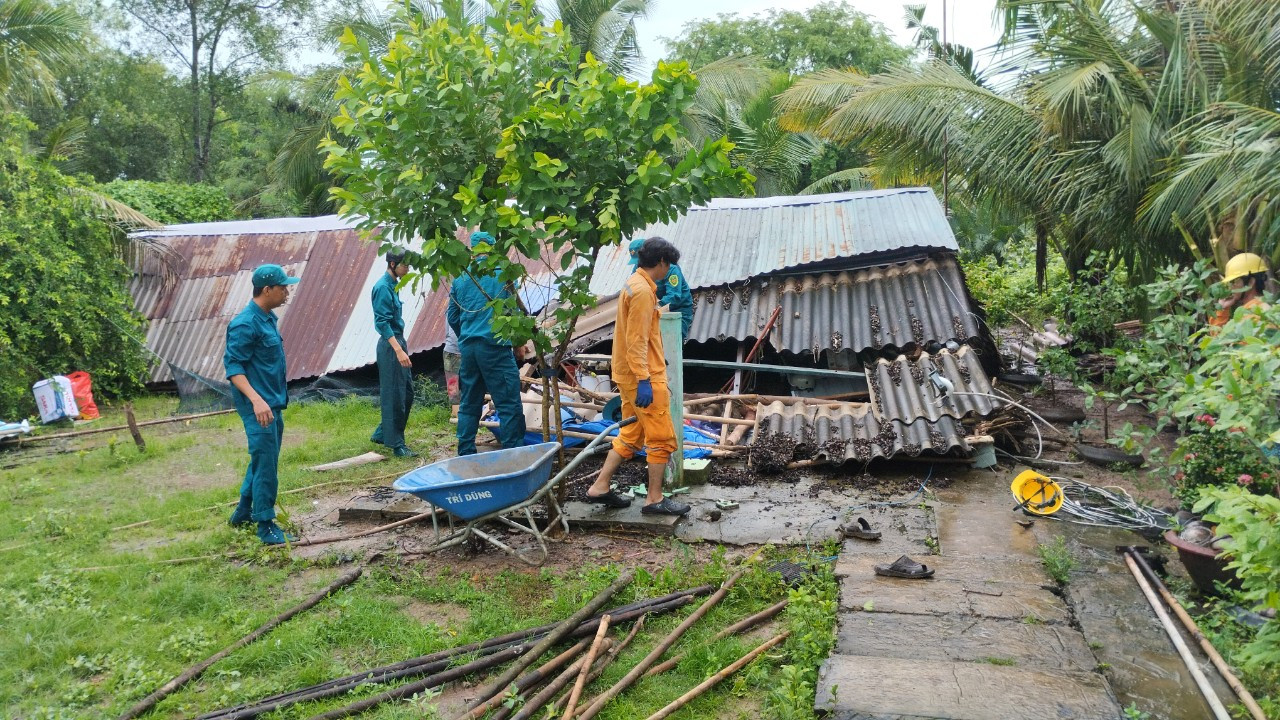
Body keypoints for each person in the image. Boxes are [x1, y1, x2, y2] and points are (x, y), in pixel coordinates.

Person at [587, 237, 690, 516]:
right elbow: (636, 340)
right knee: (662, 438)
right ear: (661, 262)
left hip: (629, 372)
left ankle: (600, 486)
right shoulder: (643, 291)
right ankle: (654, 499)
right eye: (668, 265)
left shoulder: (634, 284)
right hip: (642, 376)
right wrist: (644, 378)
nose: (669, 271)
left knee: (631, 435)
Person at [224, 264, 300, 545]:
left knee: (262, 458)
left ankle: (243, 511)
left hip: (272, 403)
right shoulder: (245, 323)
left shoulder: (268, 318)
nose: (287, 292)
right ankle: (265, 525)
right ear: (267, 290)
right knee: (266, 462)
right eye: (283, 287)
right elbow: (234, 368)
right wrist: (256, 401)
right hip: (258, 406)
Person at [448, 232, 527, 455]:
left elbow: (452, 316)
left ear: (472, 250)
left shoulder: (462, 278)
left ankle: (465, 453)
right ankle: (514, 455)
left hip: (469, 349)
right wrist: (518, 343)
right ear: (492, 249)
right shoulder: (502, 274)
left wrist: (467, 334)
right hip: (495, 347)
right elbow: (513, 313)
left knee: (470, 403)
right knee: (509, 404)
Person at [370, 249, 417, 457]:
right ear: (392, 265)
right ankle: (397, 445)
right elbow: (382, 322)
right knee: (394, 396)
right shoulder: (382, 288)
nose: (408, 269)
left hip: (398, 341)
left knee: (406, 393)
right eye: (404, 265)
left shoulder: (393, 285)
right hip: (390, 346)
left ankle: (382, 433)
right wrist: (398, 350)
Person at [628, 237, 693, 340]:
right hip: (654, 307)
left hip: (677, 309)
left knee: (671, 341)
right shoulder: (638, 267)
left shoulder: (670, 268)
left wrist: (654, 307)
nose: (639, 264)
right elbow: (631, 287)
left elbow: (674, 297)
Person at [1210, 253, 1273, 328]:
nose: (1230, 287)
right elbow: (1218, 337)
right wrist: (1222, 308)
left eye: (1234, 281)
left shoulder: (1256, 314)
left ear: (1250, 283)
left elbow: (1219, 338)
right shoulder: (1250, 310)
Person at [443, 324, 462, 418]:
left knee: (454, 383)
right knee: (453, 383)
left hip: (453, 349)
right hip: (454, 350)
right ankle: (455, 412)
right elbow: (450, 333)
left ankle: (459, 413)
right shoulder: (453, 309)